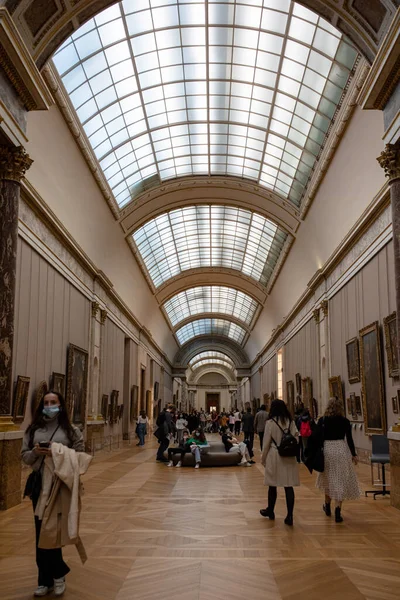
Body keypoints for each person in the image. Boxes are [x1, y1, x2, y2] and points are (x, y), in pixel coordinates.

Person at [21, 391, 87, 597]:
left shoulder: (71, 430)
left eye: (53, 402)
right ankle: (46, 579)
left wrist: (57, 452)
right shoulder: (33, 429)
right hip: (39, 485)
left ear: (61, 405)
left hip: (60, 485)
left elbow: (80, 456)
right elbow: (24, 457)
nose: (49, 406)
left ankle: (56, 577)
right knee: (40, 531)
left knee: (52, 532)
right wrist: (35, 453)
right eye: (46, 403)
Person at [315, 397, 361, 523]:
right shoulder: (345, 421)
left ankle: (327, 506)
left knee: (328, 480)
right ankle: (337, 511)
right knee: (339, 480)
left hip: (327, 450)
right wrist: (354, 454)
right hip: (341, 449)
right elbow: (349, 439)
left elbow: (317, 437)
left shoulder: (322, 420)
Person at [260, 399, 299, 526]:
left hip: (274, 455)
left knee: (272, 485)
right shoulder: (290, 421)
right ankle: (290, 515)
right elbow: (296, 437)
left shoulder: (270, 423)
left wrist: (263, 458)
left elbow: (266, 443)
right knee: (288, 486)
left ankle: (270, 510)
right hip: (288, 456)